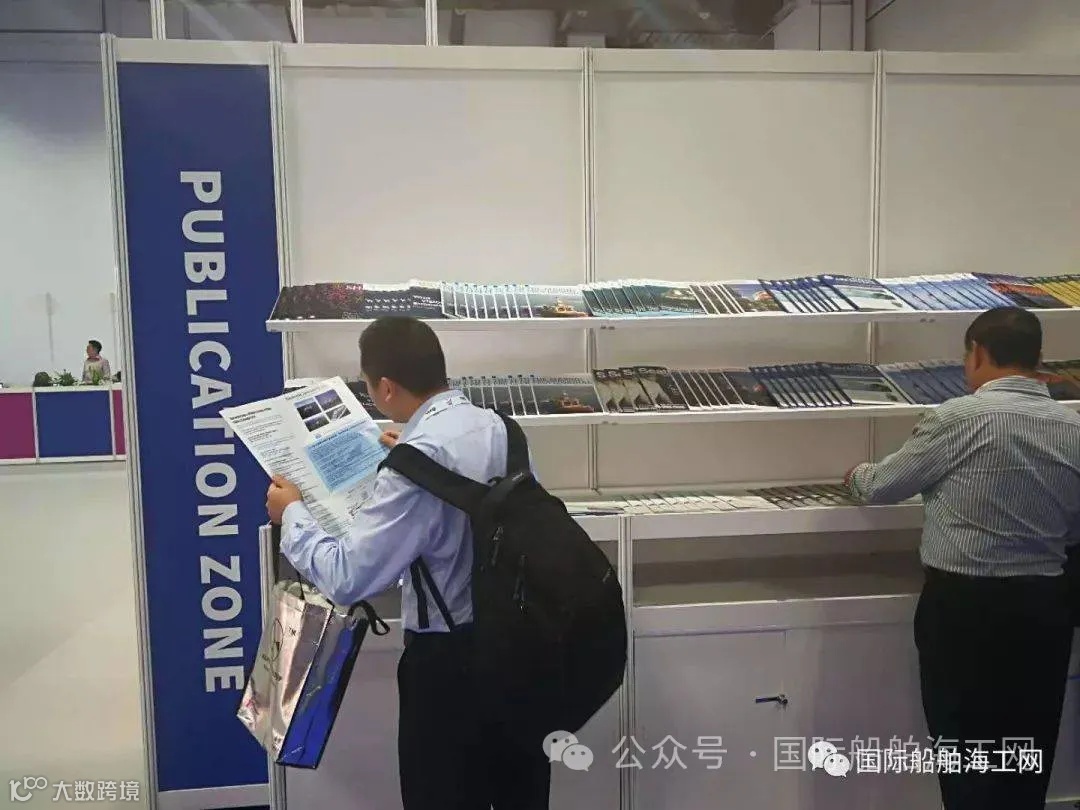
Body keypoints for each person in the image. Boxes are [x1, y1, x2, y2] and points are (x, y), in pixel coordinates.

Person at [266, 316, 550, 810]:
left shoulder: (415, 462)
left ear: (386, 388)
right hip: (522, 653)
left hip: (448, 668)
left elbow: (348, 578)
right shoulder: (503, 429)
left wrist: (291, 513)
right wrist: (413, 461)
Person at [845, 306, 1080, 810]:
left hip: (964, 606)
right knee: (1029, 744)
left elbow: (881, 486)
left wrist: (854, 475)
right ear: (1038, 357)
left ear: (977, 353)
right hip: (1045, 607)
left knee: (964, 745)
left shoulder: (957, 418)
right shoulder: (1073, 425)